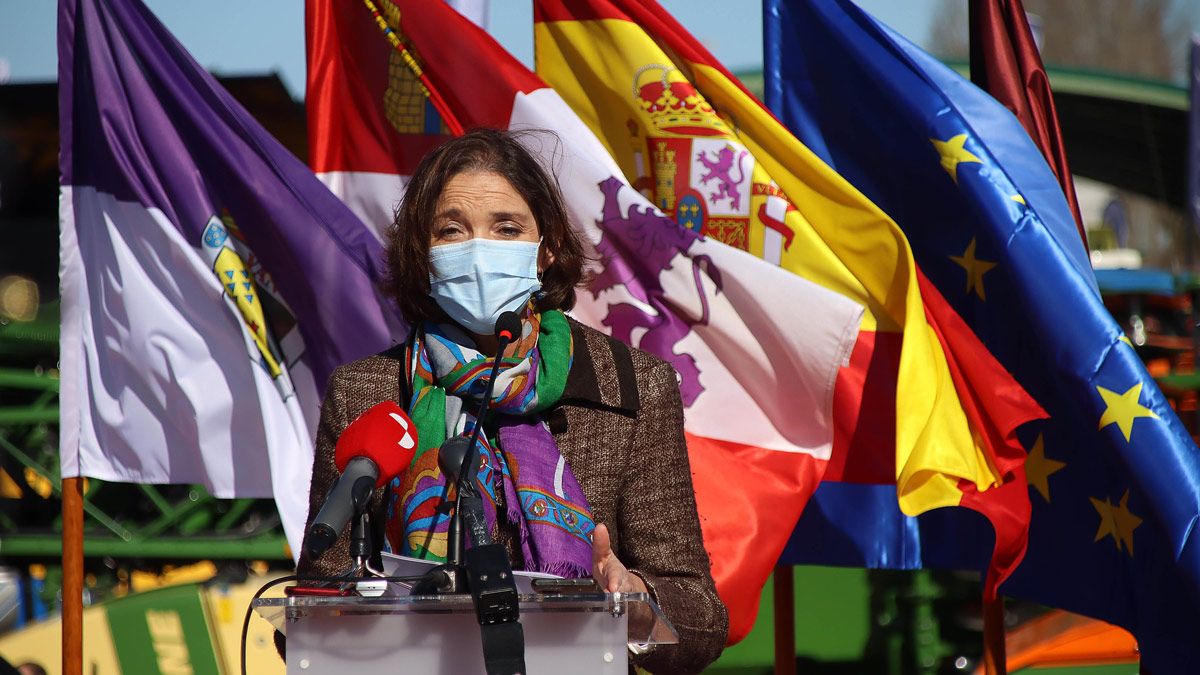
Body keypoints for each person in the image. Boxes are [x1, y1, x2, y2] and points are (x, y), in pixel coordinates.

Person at [297, 128, 728, 673]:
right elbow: (309, 608)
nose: (480, 252)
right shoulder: (367, 391)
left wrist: (635, 600)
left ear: (545, 249)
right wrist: (351, 603)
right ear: (422, 255)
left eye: (507, 228)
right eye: (451, 230)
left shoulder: (633, 385)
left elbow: (703, 623)